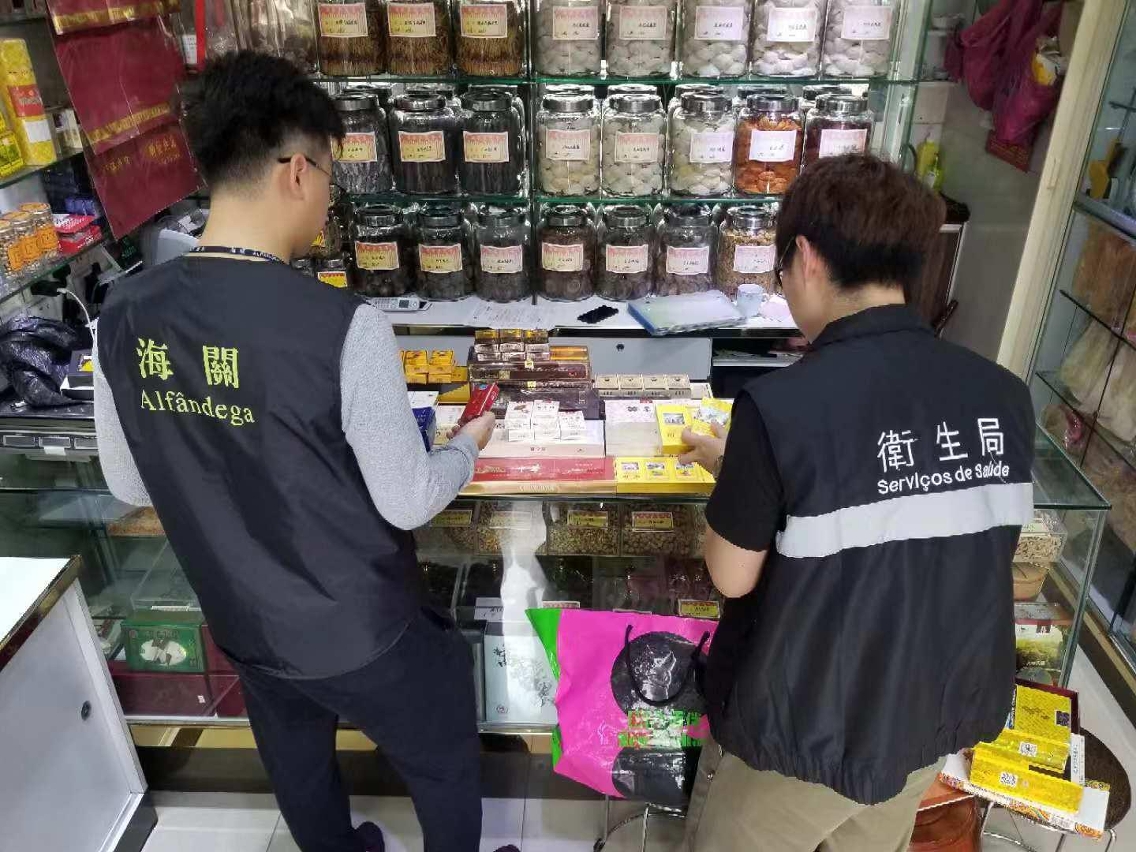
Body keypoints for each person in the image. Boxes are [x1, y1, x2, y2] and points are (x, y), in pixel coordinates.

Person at [93, 51, 512, 852]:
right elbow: (406, 499)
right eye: (329, 173)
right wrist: (468, 442)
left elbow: (127, 480)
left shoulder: (124, 310)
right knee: (442, 757)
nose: (328, 195)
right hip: (361, 628)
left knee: (299, 768)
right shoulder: (342, 326)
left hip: (243, 621)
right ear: (295, 170)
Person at [678, 155, 1035, 852]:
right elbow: (925, 522)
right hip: (930, 710)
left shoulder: (782, 406)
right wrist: (738, 464)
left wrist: (738, 477)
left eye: (781, 268)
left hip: (806, 727)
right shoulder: (1001, 394)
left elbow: (731, 574)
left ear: (806, 257)